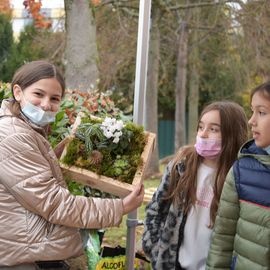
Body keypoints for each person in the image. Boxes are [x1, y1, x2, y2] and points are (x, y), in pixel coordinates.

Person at [0, 60, 144, 269]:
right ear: (18, 92)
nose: (46, 104)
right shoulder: (14, 136)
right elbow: (55, 204)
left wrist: (53, 159)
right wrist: (120, 207)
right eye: (38, 94)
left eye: (54, 98)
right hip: (21, 259)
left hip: (28, 250)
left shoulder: (25, 129)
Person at [142, 101, 248, 270]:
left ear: (232, 134)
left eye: (213, 129)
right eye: (201, 127)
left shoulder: (241, 177)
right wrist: (156, 252)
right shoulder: (181, 166)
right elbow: (155, 209)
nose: (203, 134)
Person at [206, 81, 270, 270]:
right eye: (252, 111)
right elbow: (222, 242)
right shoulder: (241, 171)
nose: (252, 121)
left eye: (262, 112)